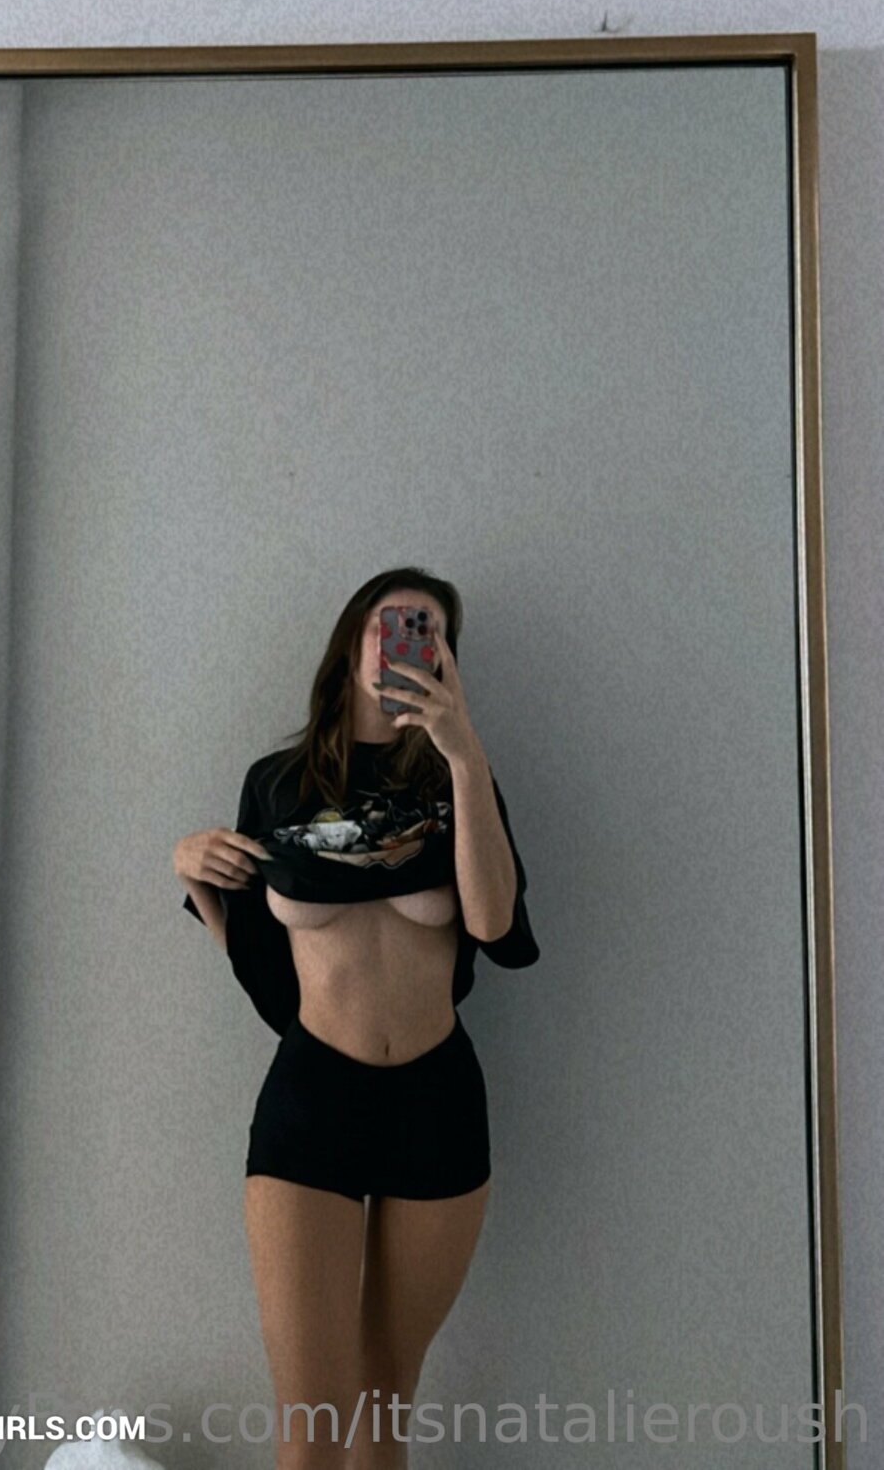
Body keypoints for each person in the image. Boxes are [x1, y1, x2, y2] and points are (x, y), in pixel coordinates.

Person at [173, 567, 540, 1468]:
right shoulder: (278, 782)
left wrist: (465, 756)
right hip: (314, 1098)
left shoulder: (461, 780)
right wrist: (192, 869)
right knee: (311, 1424)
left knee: (384, 1406)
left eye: (430, 631)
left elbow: (494, 925)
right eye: (393, 622)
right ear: (349, 643)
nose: (410, 639)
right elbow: (261, 957)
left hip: (435, 1101)